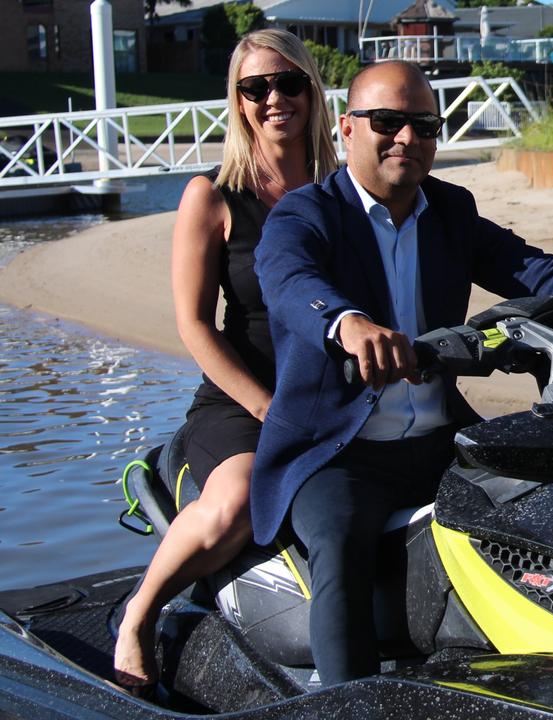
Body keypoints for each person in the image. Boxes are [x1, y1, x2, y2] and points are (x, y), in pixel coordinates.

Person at [250, 60, 553, 686]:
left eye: (424, 126)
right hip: (338, 451)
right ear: (349, 126)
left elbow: (536, 270)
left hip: (442, 440)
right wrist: (346, 322)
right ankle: (345, 699)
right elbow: (287, 279)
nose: (407, 140)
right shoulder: (307, 213)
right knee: (340, 547)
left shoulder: (449, 209)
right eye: (387, 122)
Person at [113, 29, 338, 692]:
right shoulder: (212, 196)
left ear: (311, 90)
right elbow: (193, 324)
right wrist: (269, 410)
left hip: (333, 394)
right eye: (256, 87)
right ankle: (139, 614)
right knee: (240, 495)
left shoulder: (344, 191)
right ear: (238, 102)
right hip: (242, 400)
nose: (275, 98)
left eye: (288, 82)